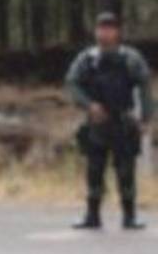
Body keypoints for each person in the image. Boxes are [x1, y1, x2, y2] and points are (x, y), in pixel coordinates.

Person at [64, 12, 152, 230]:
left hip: (123, 121)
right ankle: (92, 215)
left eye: (109, 29)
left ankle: (129, 216)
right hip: (97, 122)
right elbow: (72, 83)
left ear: (117, 32)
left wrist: (146, 117)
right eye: (101, 29)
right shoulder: (88, 59)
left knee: (126, 171)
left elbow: (145, 85)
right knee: (94, 170)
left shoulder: (130, 58)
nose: (105, 33)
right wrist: (89, 105)